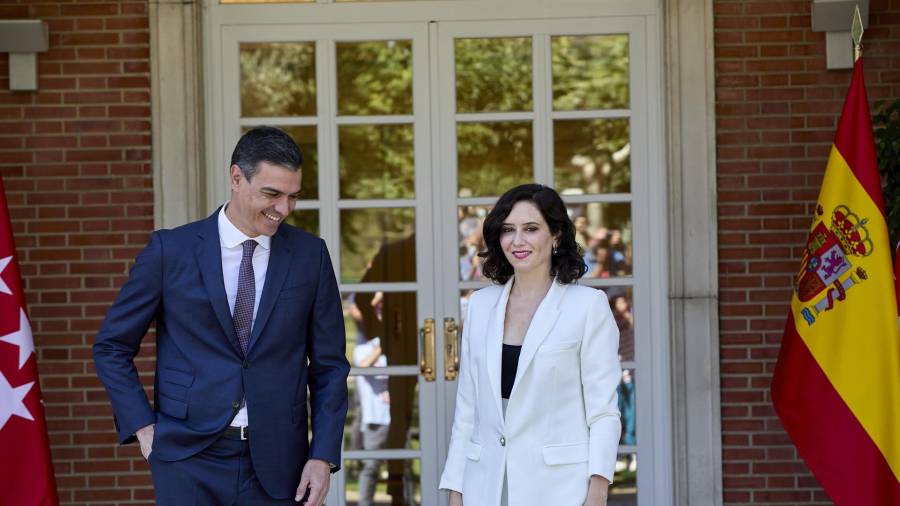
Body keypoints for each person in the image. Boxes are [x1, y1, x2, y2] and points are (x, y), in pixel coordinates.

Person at [92, 126, 350, 506]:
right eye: (272, 194)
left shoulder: (310, 256)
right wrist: (144, 428)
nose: (283, 209)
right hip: (186, 458)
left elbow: (329, 366)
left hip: (282, 463)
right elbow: (112, 346)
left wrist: (323, 455)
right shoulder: (170, 251)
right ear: (236, 178)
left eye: (293, 197)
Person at [439, 184, 622, 506]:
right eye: (508, 230)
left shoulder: (588, 306)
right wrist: (456, 489)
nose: (517, 240)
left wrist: (598, 489)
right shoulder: (480, 306)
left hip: (560, 488)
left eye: (531, 229)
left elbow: (604, 412)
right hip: (485, 484)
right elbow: (467, 411)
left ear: (556, 236)